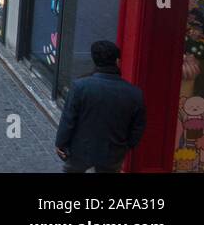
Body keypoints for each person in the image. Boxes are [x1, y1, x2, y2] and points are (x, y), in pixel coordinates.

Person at [55, 40, 146, 173]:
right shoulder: (135, 93)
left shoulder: (80, 87)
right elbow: (138, 127)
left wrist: (61, 143)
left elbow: (68, 119)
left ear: (95, 61)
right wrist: (126, 146)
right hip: (113, 153)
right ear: (117, 61)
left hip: (80, 151)